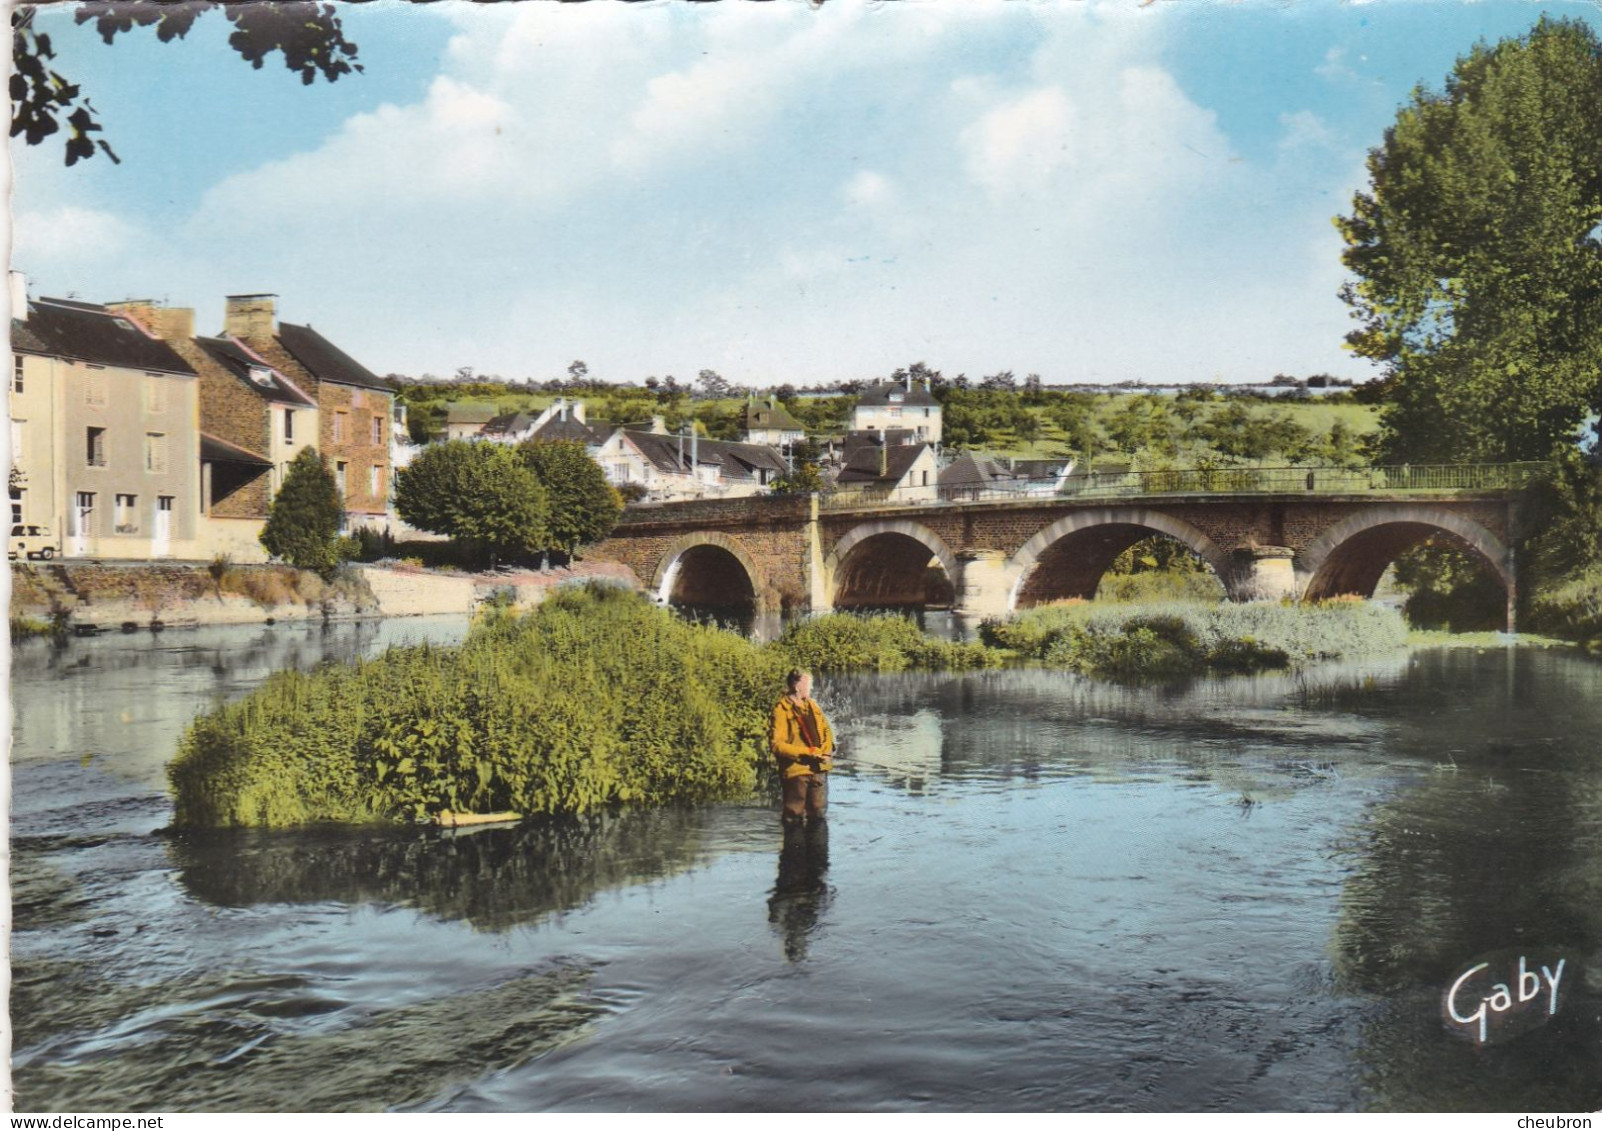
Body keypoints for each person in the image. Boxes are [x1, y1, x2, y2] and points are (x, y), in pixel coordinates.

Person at [770, 668, 834, 825]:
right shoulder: (780, 710)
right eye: (809, 684)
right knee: (793, 818)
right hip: (795, 772)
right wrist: (807, 752)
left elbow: (826, 732)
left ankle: (818, 850)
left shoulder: (813, 705)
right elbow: (776, 745)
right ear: (797, 685)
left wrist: (826, 751)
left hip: (818, 769)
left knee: (818, 817)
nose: (811, 688)